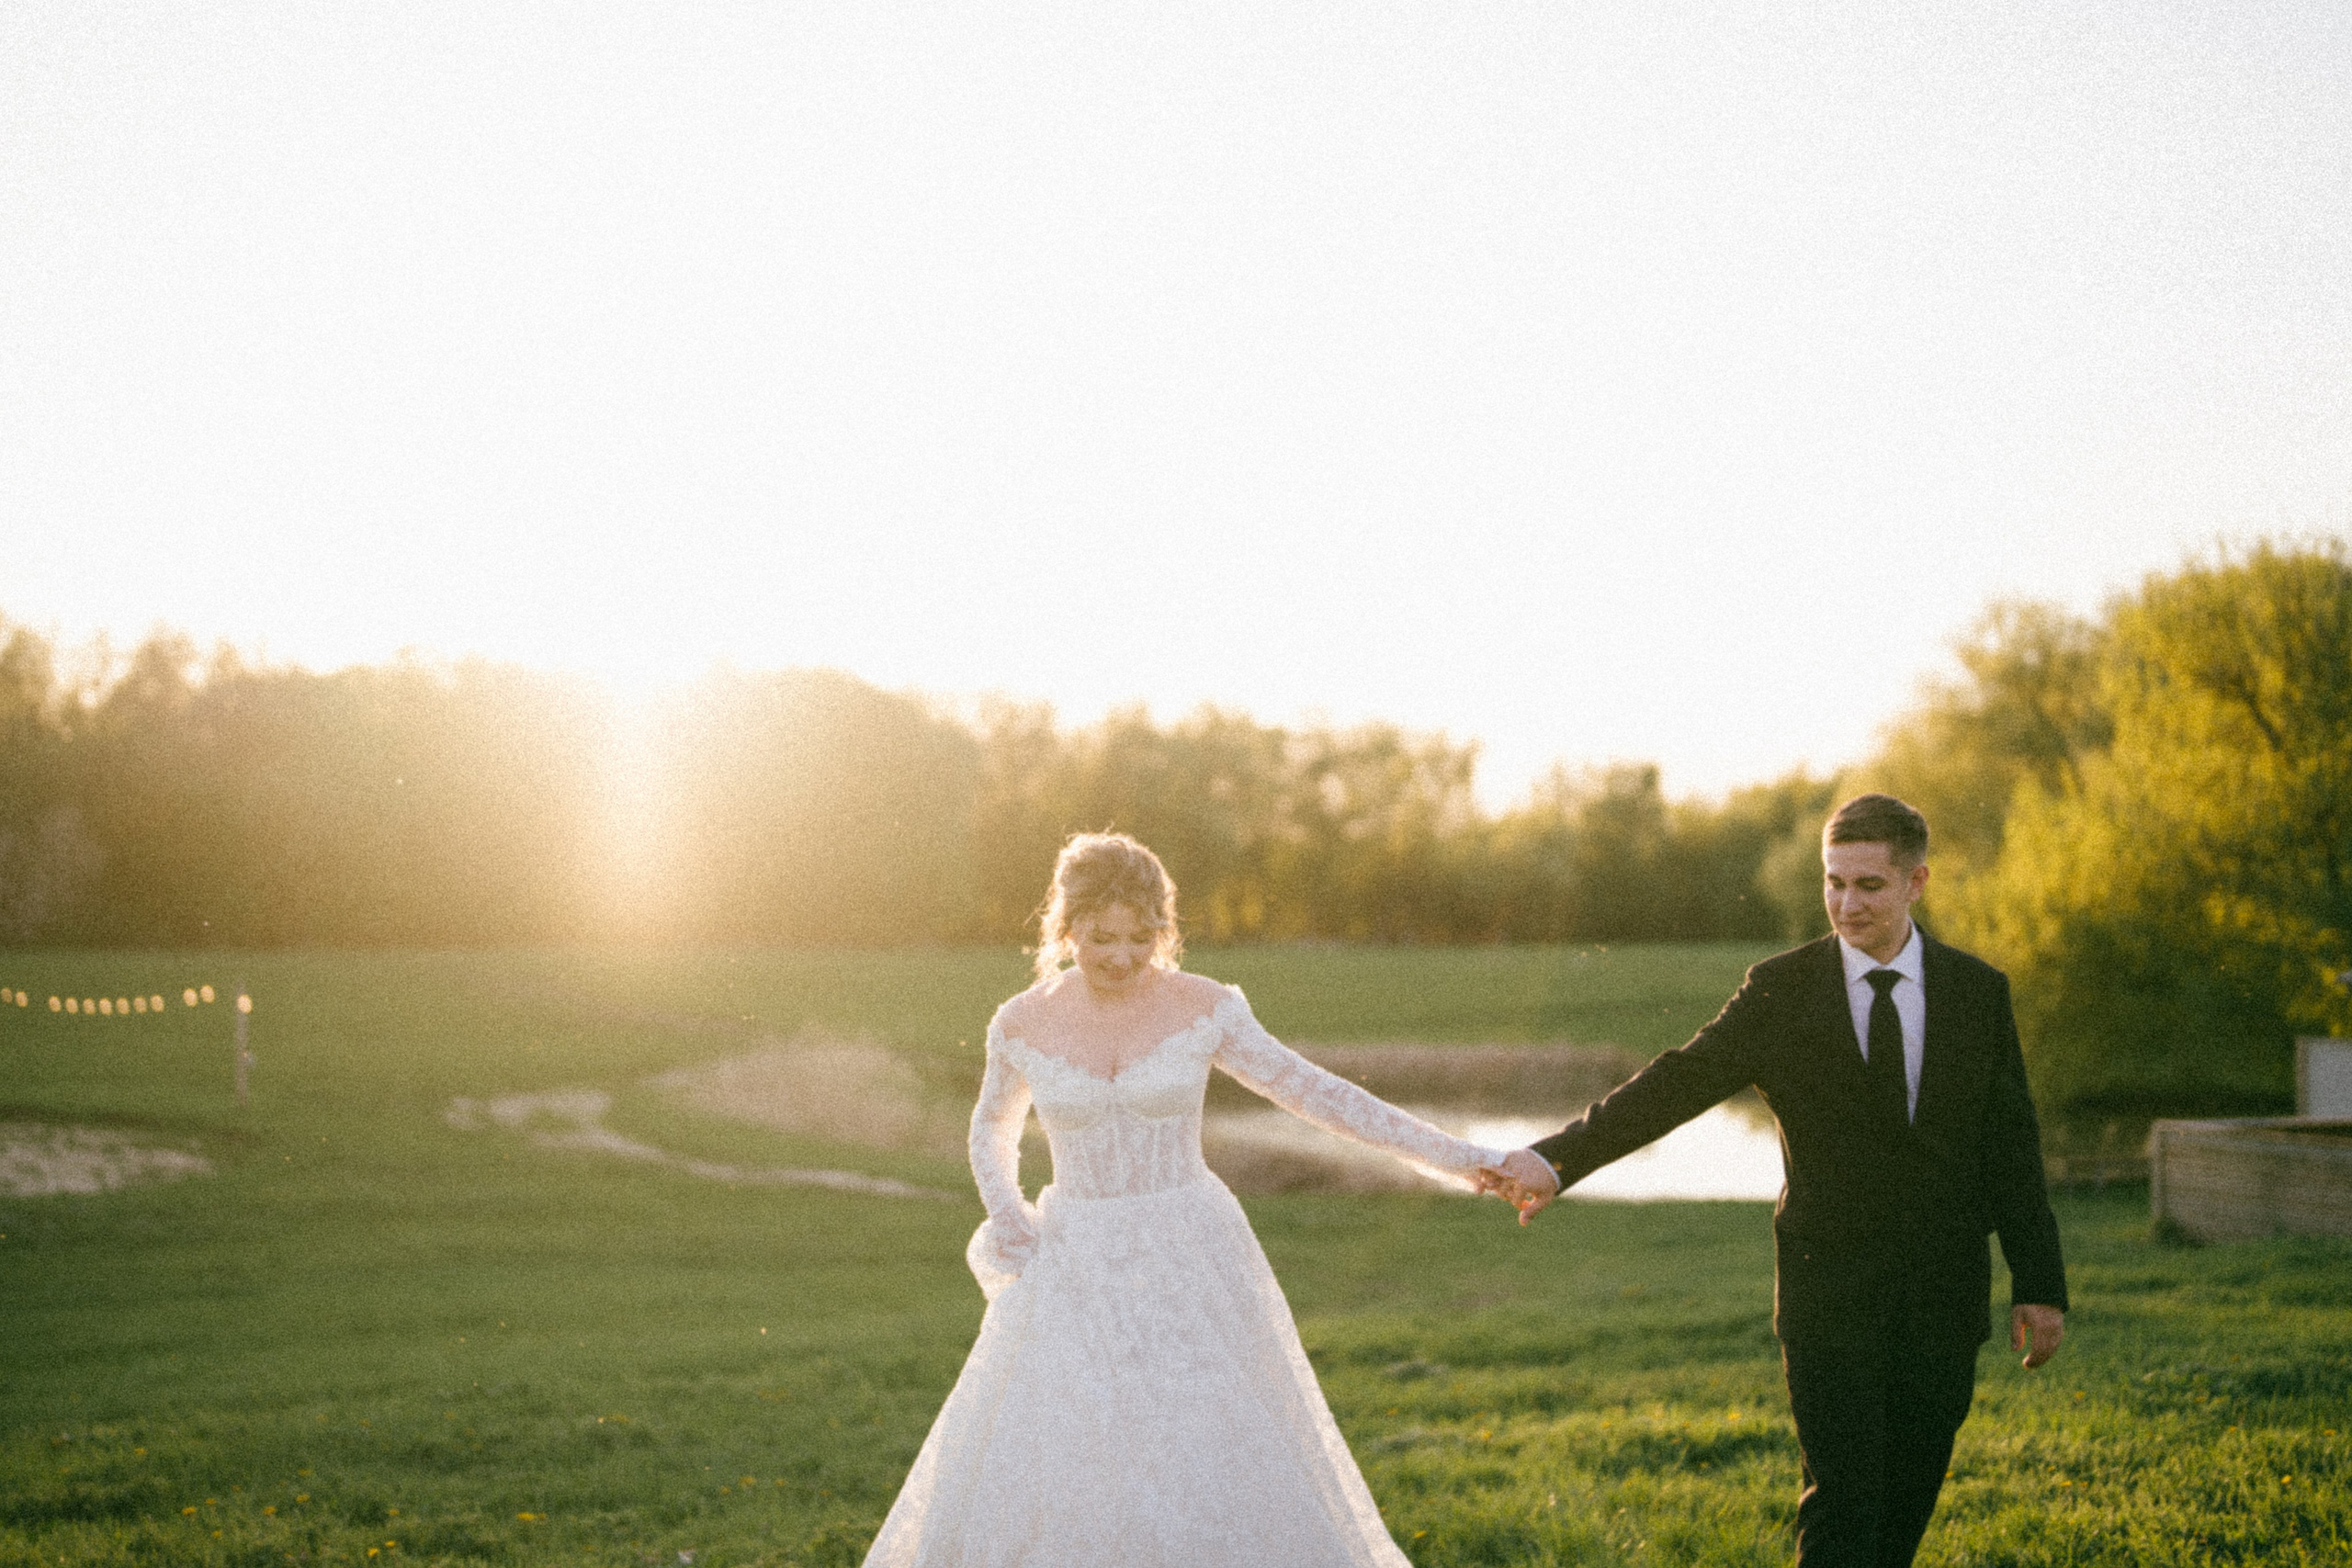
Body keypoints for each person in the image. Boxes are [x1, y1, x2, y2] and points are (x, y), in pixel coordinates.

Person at [864, 832, 1512, 1568]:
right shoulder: (1020, 1020)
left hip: (1189, 1251)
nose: (1120, 955)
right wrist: (1012, 1217)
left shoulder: (1205, 1007)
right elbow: (990, 1130)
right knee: (1077, 1450)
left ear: (1164, 931)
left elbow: (1319, 1094)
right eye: (1100, 936)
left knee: (1202, 1442)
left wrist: (1468, 1159)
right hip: (1073, 1257)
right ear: (1065, 925)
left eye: (1141, 937)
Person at [1481, 794, 2069, 1568]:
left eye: (1868, 885)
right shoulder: (1780, 990)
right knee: (1844, 1501)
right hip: (1829, 1295)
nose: (1845, 904)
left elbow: (2011, 1145)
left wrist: (2040, 1280)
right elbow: (1676, 1082)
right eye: (1833, 882)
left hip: (1943, 1296)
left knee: (1904, 1503)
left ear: (1916, 881)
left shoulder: (1976, 992)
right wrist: (1557, 1160)